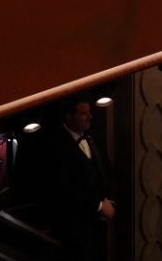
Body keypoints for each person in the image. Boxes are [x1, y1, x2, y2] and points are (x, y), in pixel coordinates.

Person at [44, 97, 115, 261]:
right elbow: (65, 189)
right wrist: (99, 206)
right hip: (74, 231)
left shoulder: (93, 137)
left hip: (99, 227)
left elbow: (107, 171)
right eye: (83, 113)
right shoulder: (56, 146)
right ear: (68, 116)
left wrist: (110, 202)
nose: (90, 117)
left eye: (89, 112)